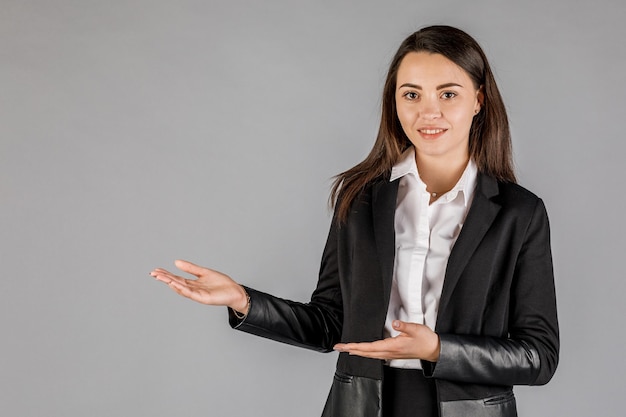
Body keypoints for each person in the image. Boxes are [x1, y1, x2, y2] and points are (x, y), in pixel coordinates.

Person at [150, 25, 559, 417]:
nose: (428, 111)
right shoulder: (361, 198)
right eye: (411, 94)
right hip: (363, 405)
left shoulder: (519, 213)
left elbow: (538, 356)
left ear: (478, 100)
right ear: (394, 103)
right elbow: (330, 324)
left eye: (448, 93)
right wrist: (244, 301)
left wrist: (437, 348)